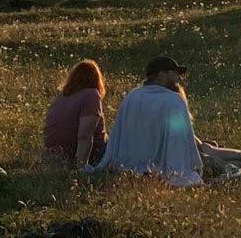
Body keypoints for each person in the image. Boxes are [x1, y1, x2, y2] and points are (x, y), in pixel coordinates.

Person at [87, 56, 203, 185]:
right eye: (175, 73)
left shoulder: (132, 96)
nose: (178, 77)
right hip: (161, 166)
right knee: (212, 156)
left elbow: (118, 133)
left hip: (129, 164)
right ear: (162, 75)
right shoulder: (173, 100)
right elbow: (179, 141)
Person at [42, 60, 108, 168]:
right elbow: (85, 135)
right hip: (87, 154)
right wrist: (82, 167)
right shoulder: (91, 95)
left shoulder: (60, 97)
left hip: (55, 155)